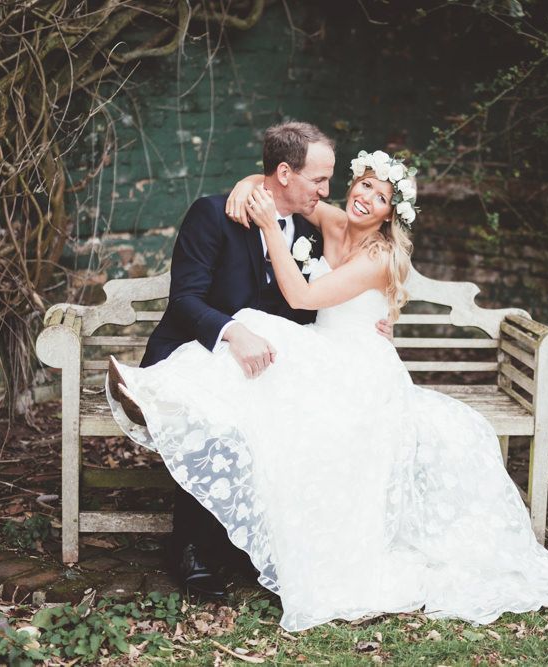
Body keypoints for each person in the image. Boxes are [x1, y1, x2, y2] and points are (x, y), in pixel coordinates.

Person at [107, 148, 548, 631]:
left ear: (390, 214)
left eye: (381, 197)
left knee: (260, 338)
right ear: (354, 185)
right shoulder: (334, 221)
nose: (367, 199)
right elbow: (286, 187)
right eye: (364, 186)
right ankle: (154, 394)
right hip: (324, 352)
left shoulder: (380, 256)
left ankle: (162, 401)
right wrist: (247, 183)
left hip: (359, 368)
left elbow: (301, 296)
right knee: (254, 353)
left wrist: (272, 231)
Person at [133, 122, 393, 598]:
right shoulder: (215, 215)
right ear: (284, 173)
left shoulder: (316, 229)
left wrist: (380, 314)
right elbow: (185, 302)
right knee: (218, 412)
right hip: (202, 348)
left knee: (305, 415)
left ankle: (271, 542)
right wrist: (233, 332)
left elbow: (357, 278)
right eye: (319, 180)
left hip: (277, 358)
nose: (326, 190)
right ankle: (193, 548)